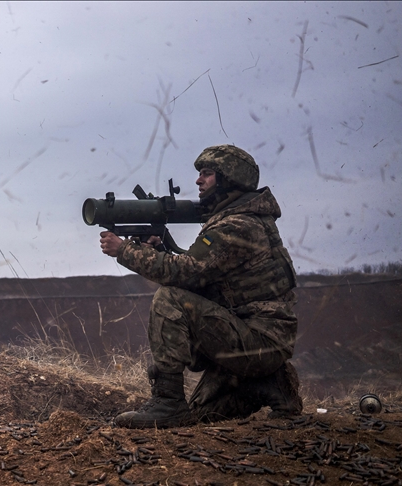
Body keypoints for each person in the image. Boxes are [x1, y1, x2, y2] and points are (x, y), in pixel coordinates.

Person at [99, 144, 302, 428]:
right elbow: (203, 277)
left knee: (171, 299)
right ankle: (269, 383)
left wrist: (124, 250)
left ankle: (168, 402)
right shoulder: (241, 219)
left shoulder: (237, 225)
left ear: (229, 178)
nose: (198, 180)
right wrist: (159, 253)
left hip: (257, 343)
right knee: (202, 416)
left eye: (207, 174)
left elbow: (186, 275)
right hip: (254, 342)